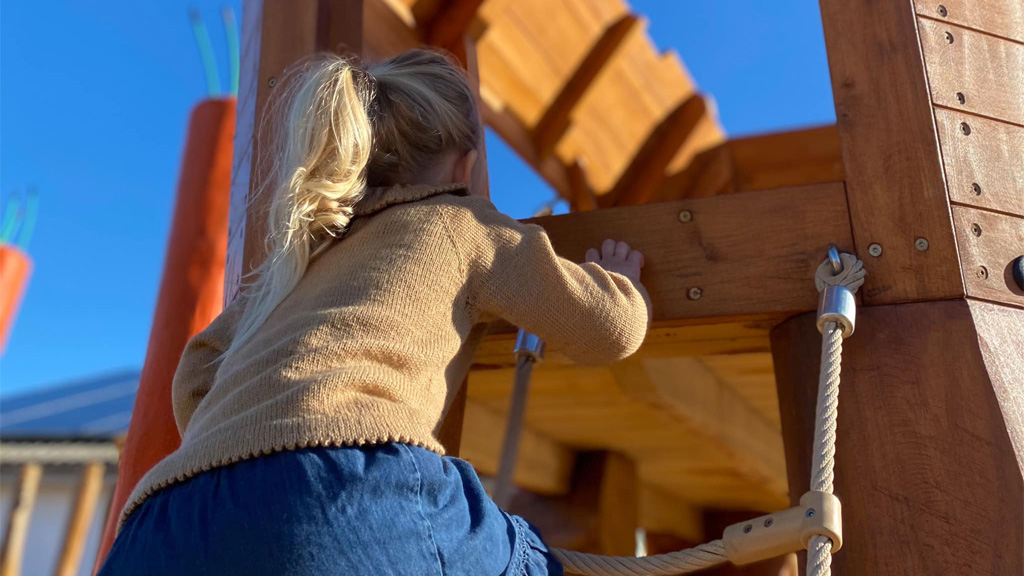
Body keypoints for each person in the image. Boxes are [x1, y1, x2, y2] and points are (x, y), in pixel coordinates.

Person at [99, 49, 651, 576]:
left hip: (164, 518)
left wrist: (239, 446)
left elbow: (196, 369)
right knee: (527, 559)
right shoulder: (466, 224)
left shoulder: (302, 259)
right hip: (343, 489)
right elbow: (609, 330)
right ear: (467, 163)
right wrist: (625, 285)